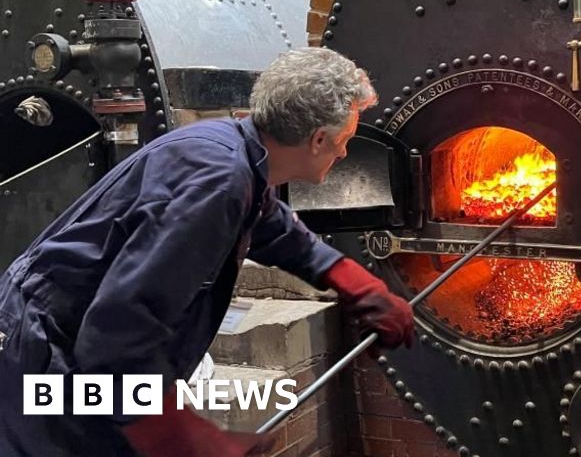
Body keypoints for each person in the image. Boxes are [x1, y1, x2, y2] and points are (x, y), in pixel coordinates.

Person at [0, 47, 415, 456]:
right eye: (344, 140)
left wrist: (354, 282)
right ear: (318, 138)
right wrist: (187, 439)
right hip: (46, 348)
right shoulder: (218, 184)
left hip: (66, 341)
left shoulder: (233, 150)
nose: (345, 152)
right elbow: (120, 330)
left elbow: (272, 222)